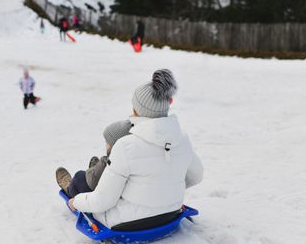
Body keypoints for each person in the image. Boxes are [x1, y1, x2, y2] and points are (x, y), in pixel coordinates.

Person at [66, 69, 203, 229]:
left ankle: (79, 182)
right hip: (170, 214)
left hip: (127, 223)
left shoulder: (126, 146)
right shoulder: (182, 139)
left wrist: (76, 202)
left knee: (84, 181)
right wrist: (166, 188)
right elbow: (197, 176)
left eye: (134, 109)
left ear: (139, 111)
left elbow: (103, 200)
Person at [56, 120, 132, 198]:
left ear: (115, 145)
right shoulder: (128, 160)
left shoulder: (112, 164)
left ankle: (69, 188)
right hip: (103, 184)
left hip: (92, 190)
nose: (105, 144)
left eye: (107, 142)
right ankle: (95, 170)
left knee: (79, 176)